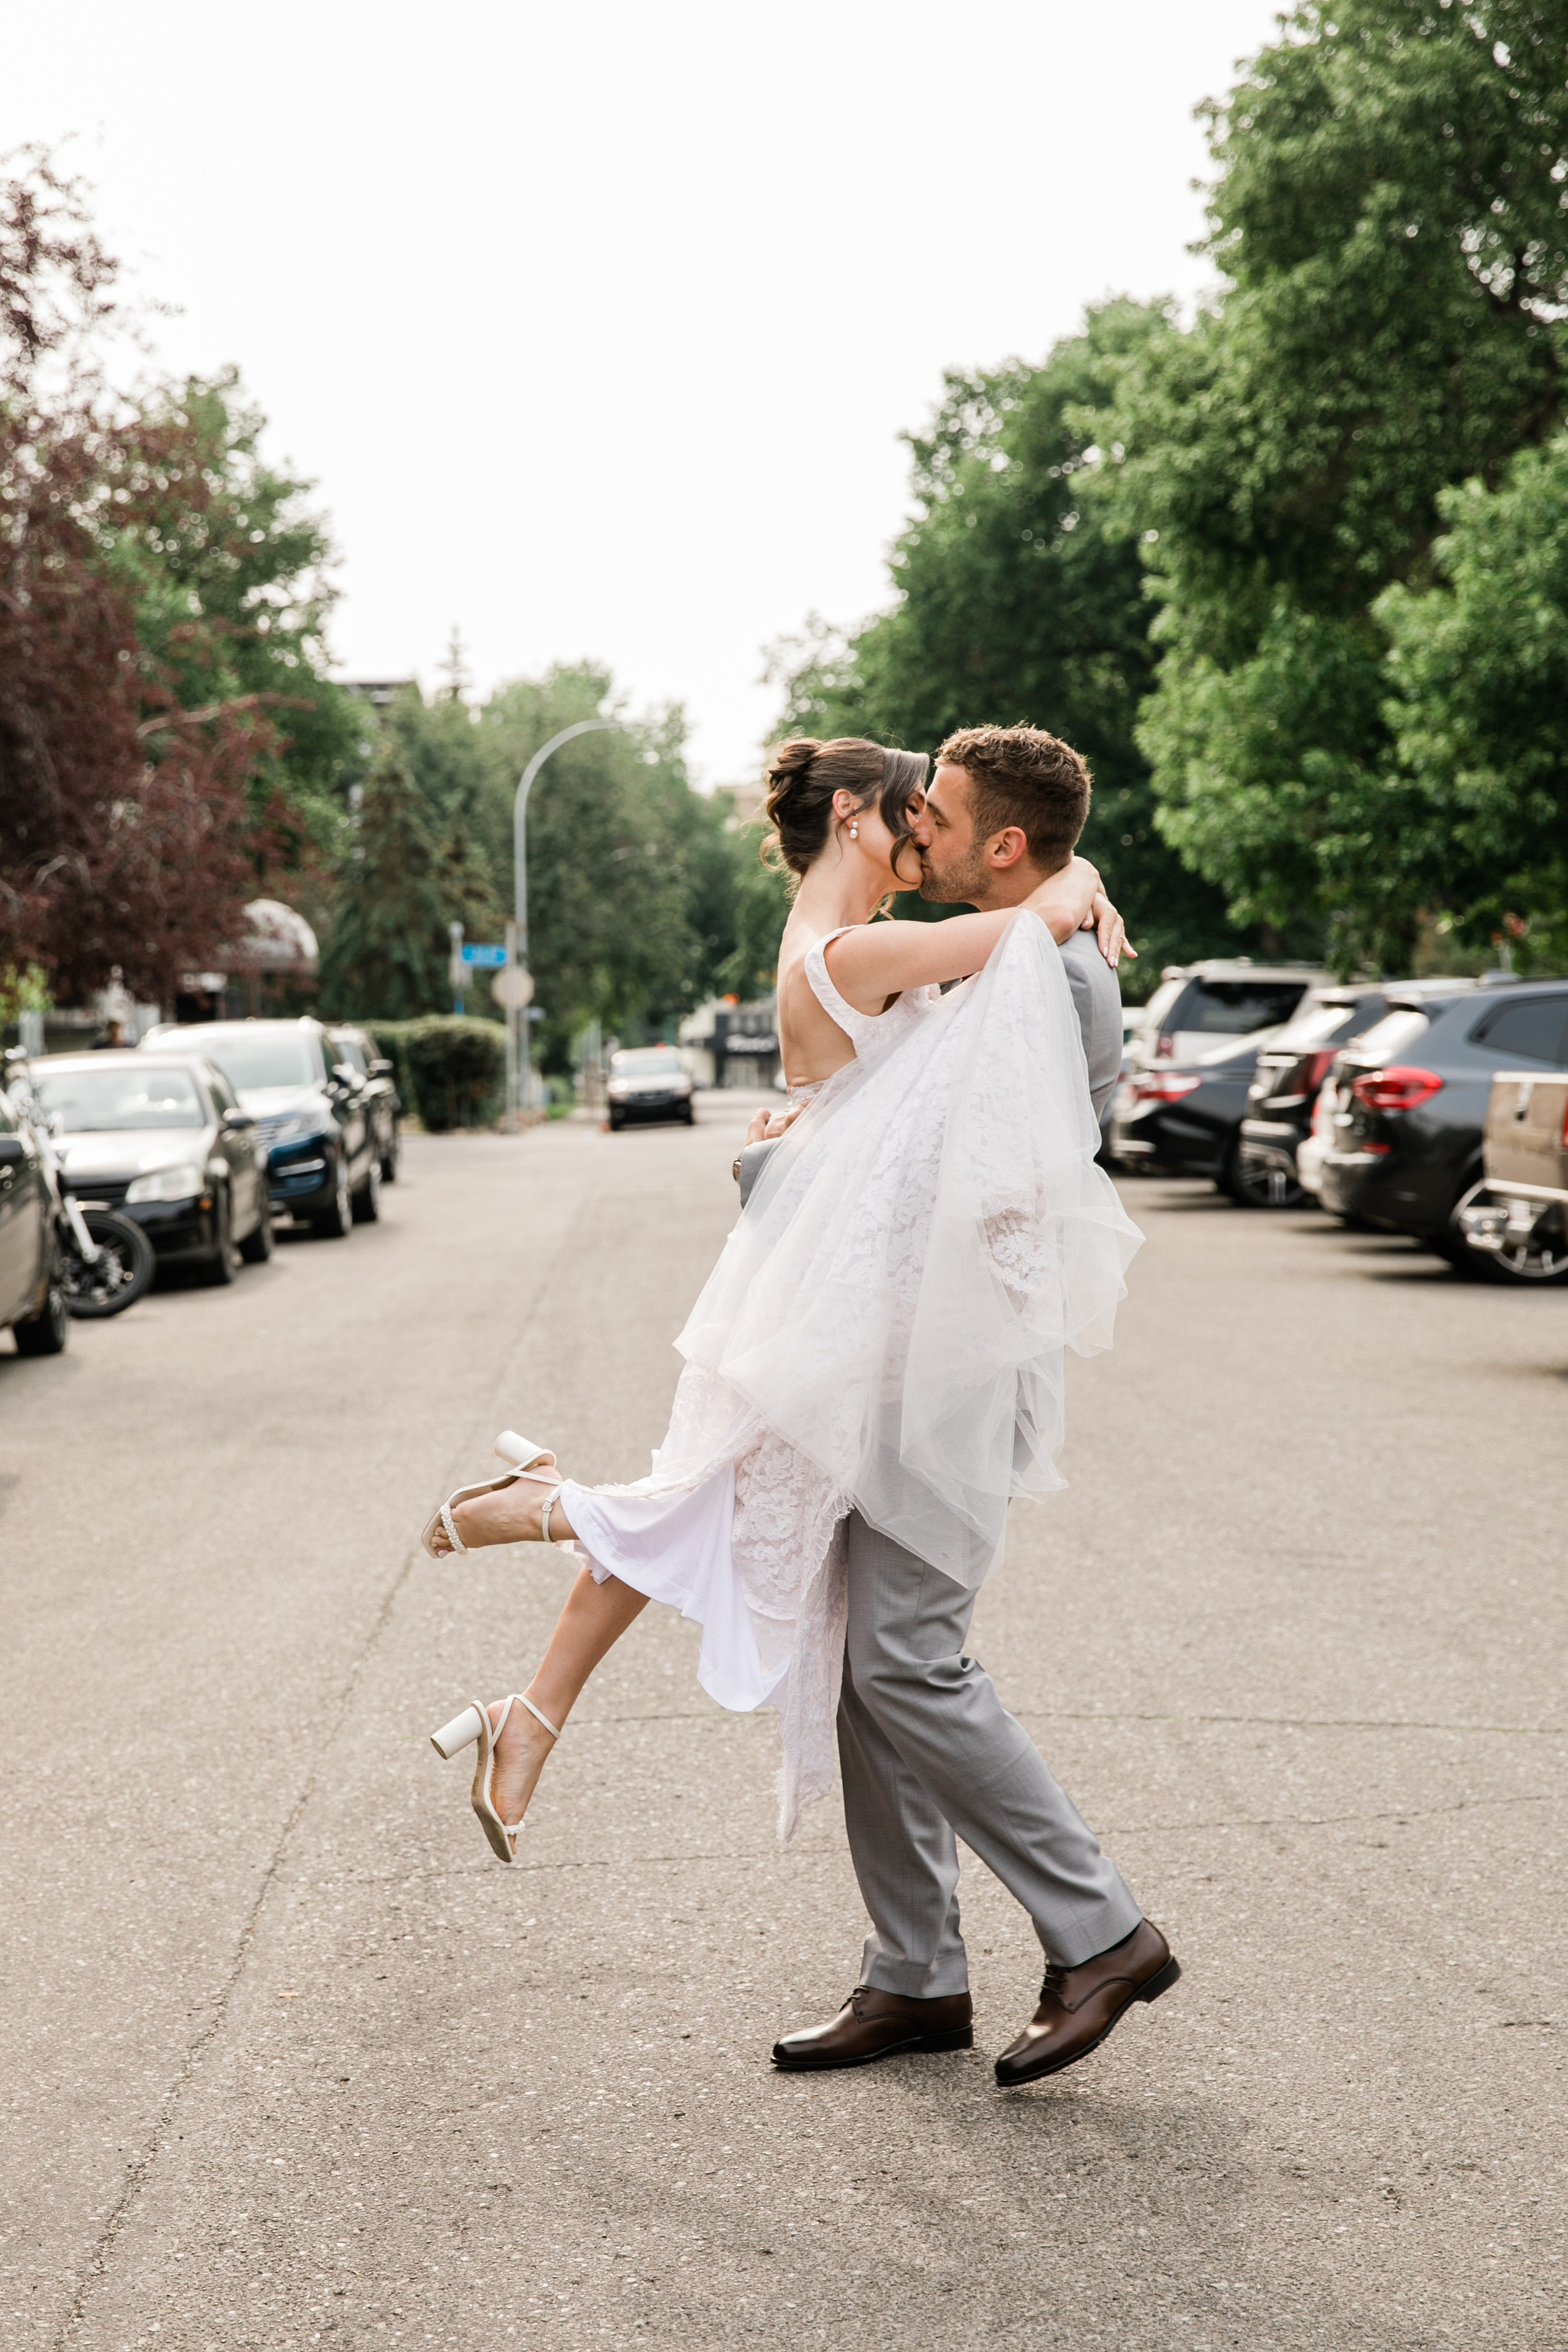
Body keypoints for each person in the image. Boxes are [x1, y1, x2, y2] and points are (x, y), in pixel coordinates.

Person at [424, 733, 1175, 2086]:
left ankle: (1102, 1929)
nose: (920, 832)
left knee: (906, 1660)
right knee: (852, 1661)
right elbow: (891, 1133)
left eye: (940, 815)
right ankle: (915, 1974)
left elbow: (995, 1183)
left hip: (942, 1372)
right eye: (911, 809)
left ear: (1002, 846)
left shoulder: (1042, 965)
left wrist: (1053, 905)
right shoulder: (1001, 936)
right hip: (876, 1363)